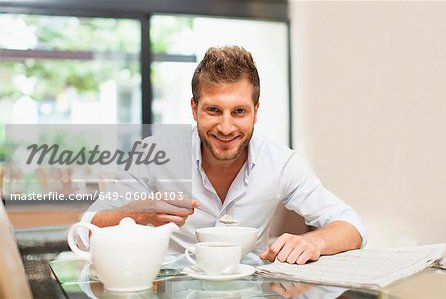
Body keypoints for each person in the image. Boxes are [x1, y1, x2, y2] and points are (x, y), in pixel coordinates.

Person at [80, 46, 366, 265]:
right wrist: (137, 214)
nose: (226, 127)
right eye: (213, 110)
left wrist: (314, 242)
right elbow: (84, 232)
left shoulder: (281, 162)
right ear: (194, 109)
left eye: (239, 111)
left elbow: (352, 226)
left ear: (256, 110)